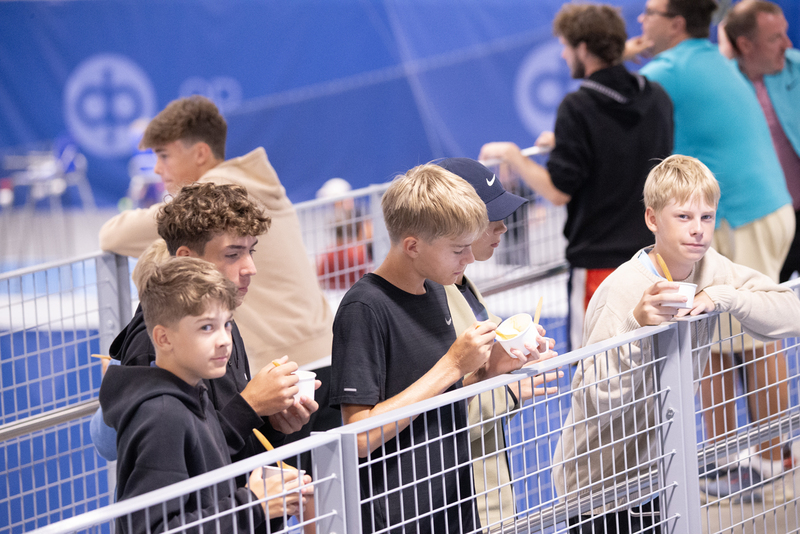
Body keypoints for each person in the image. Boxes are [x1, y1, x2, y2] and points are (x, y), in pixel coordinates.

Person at [553, 155, 800, 534]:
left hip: (660, 472)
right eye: (683, 217)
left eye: (706, 217)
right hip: (597, 485)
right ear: (652, 219)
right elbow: (596, 397)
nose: (698, 229)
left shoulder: (712, 268)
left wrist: (724, 296)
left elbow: (792, 312)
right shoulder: (619, 292)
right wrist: (636, 328)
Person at [329, 163, 555, 533]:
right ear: (412, 246)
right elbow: (358, 436)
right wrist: (452, 365)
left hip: (455, 504)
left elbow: (439, 399)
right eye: (458, 249)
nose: (469, 259)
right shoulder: (364, 309)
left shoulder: (436, 288)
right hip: (400, 515)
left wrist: (489, 370)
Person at [628, 0, 796, 494]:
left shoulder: (667, 70)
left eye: (651, 12)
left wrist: (621, 56)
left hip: (742, 216)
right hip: (765, 209)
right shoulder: (710, 59)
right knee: (723, 337)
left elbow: (615, 100)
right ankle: (736, 458)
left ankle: (765, 460)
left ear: (676, 22)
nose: (642, 20)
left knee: (749, 337)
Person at [479, 3, 673, 352]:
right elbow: (622, 146)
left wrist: (512, 156)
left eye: (566, 46)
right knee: (654, 363)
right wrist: (565, 142)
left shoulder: (579, 107)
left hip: (600, 265)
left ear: (582, 48)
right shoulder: (656, 96)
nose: (563, 55)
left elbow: (557, 192)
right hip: (653, 259)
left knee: (594, 366)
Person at [91, 183, 319, 470]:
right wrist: (250, 406)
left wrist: (272, 422)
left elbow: (229, 439)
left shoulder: (224, 322)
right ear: (186, 258)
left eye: (251, 251)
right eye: (233, 254)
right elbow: (174, 459)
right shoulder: (154, 345)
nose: (250, 268)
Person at [98, 95, 333, 373]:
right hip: (325, 347)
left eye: (164, 155)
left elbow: (113, 235)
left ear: (200, 153)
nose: (158, 168)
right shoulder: (255, 182)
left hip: (283, 364)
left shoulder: (213, 199)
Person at [100, 257, 312, 533]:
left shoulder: (195, 397)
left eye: (227, 324)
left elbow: (210, 500)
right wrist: (252, 505)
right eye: (206, 327)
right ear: (163, 338)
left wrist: (272, 499)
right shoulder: (163, 417)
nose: (224, 340)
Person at [437, 157, 559, 529]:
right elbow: (436, 424)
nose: (503, 226)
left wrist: (511, 363)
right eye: (491, 218)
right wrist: (509, 390)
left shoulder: (462, 286)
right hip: (465, 506)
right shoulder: (436, 300)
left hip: (487, 496)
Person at [721, 0, 800, 283]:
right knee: (765, 300)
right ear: (745, 45)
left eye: (785, 33)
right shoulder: (722, 84)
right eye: (775, 37)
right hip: (760, 221)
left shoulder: (797, 67)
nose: (787, 44)